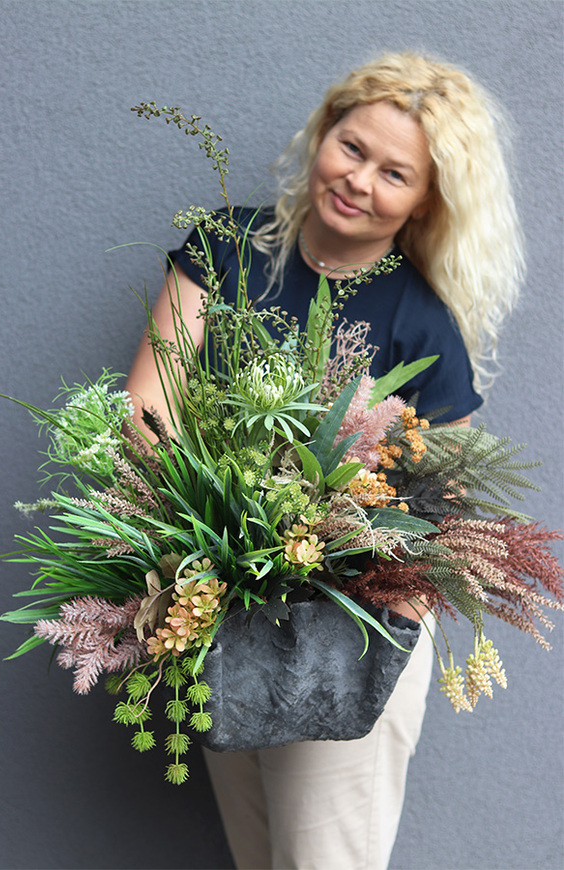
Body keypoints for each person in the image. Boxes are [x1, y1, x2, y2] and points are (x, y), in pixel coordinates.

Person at [126, 52, 525, 870]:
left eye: (394, 173)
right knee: (260, 854)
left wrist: (384, 616)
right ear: (322, 135)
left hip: (343, 635)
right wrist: (211, 548)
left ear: (423, 201)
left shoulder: (422, 321)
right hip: (216, 609)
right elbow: (146, 413)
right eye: (351, 147)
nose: (359, 180)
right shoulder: (226, 246)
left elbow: (445, 507)